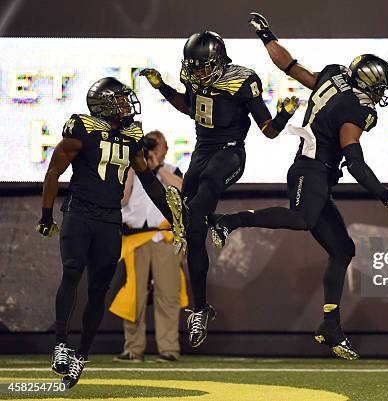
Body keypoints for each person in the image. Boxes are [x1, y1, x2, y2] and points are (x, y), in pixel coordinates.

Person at [209, 13, 388, 360]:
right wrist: (385, 195)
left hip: (314, 174)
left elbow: (290, 66)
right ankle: (230, 221)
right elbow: (356, 161)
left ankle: (330, 326)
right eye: (379, 87)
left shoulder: (333, 76)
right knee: (302, 218)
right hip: (310, 171)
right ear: (367, 84)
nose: (380, 94)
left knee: (343, 249)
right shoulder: (356, 108)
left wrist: (267, 35)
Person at [139, 30, 300, 348]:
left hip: (230, 153)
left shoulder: (243, 81)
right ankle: (200, 308)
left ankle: (200, 220)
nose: (196, 72)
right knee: (195, 233)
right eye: (193, 66)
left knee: (208, 186)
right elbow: (190, 106)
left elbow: (267, 131)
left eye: (202, 66)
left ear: (219, 62)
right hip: (202, 150)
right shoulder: (194, 77)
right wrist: (164, 88)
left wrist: (282, 115)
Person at [36, 77, 176, 388]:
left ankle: (81, 356)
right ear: (105, 104)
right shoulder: (81, 129)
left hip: (110, 219)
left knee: (99, 289)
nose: (128, 105)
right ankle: (61, 345)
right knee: (71, 272)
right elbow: (53, 171)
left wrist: (173, 217)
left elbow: (150, 182)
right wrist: (46, 214)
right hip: (80, 212)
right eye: (122, 100)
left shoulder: (131, 136)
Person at [111, 130, 186, 363]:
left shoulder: (171, 171)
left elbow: (183, 190)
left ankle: (169, 350)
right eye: (149, 146)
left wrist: (157, 168)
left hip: (165, 239)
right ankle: (133, 349)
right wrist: (135, 165)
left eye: (158, 145)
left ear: (166, 149)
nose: (154, 149)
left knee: (168, 295)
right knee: (134, 296)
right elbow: (121, 199)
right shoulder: (130, 170)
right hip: (135, 239)